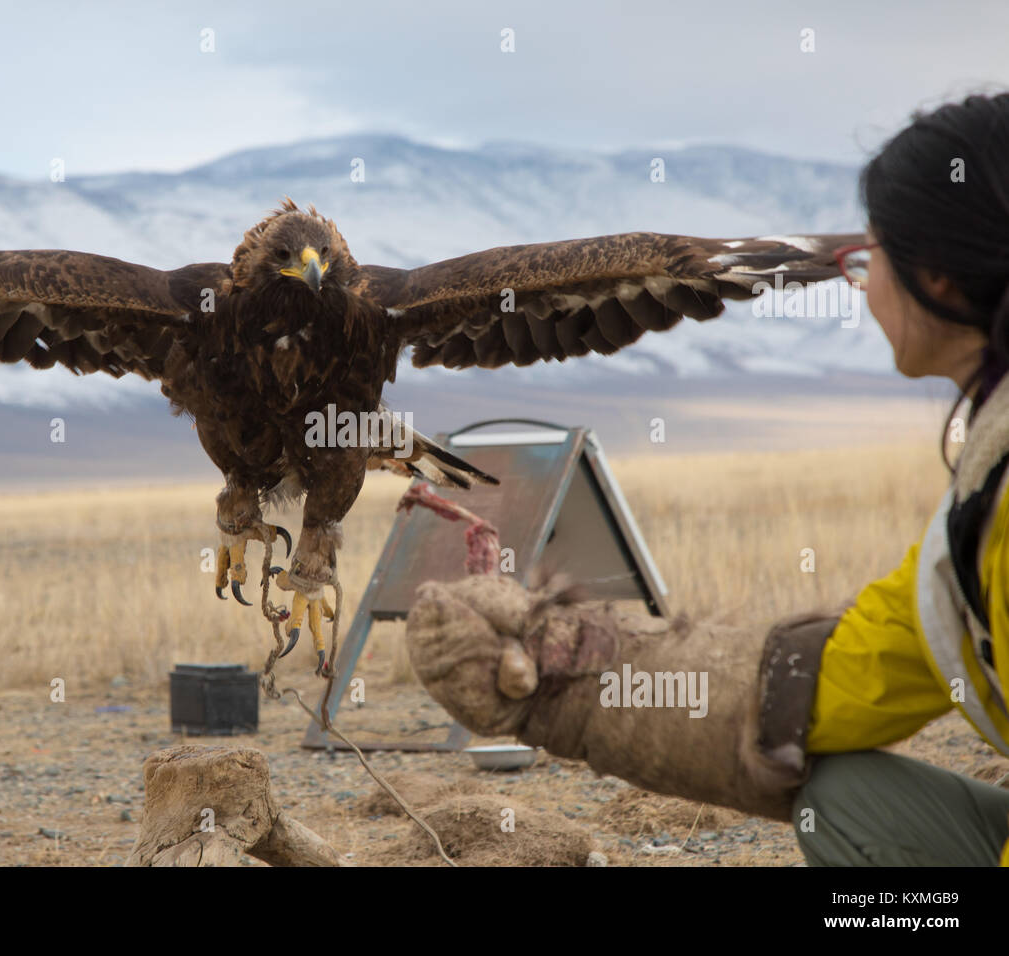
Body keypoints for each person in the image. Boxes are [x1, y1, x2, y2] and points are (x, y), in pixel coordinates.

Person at [403, 92, 1009, 866]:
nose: (859, 282)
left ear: (944, 280)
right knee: (850, 803)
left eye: (873, 256)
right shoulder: (985, 488)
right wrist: (559, 679)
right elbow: (852, 676)